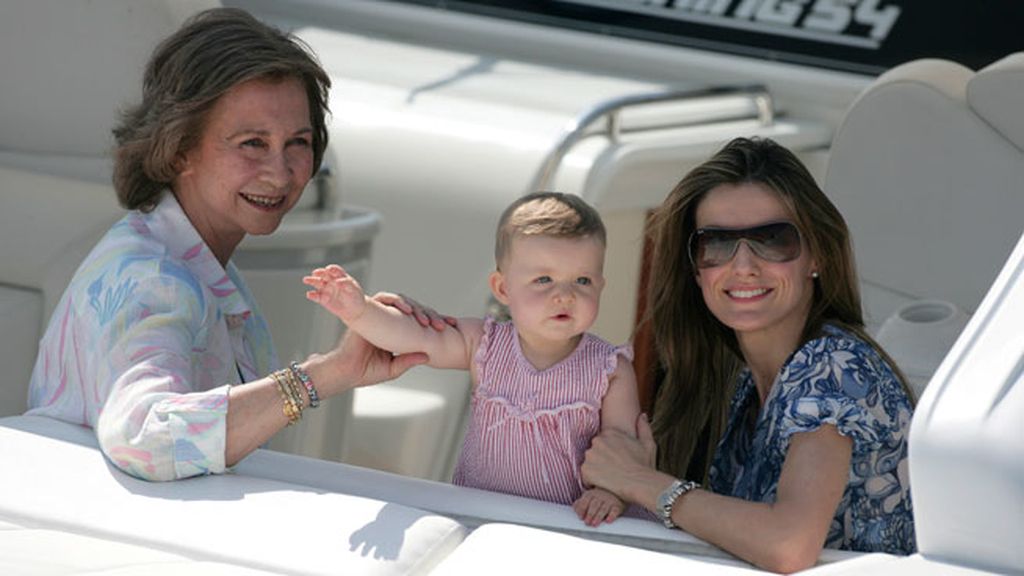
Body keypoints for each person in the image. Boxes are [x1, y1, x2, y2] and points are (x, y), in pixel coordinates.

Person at [26, 8, 434, 482]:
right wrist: (327, 374)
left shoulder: (182, 258)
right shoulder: (154, 282)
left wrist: (341, 369)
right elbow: (147, 437)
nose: (280, 173)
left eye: (298, 142)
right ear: (180, 149)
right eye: (252, 144)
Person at [580, 137, 916, 572]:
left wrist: (642, 482)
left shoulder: (833, 368)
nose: (742, 266)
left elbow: (788, 543)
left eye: (772, 240)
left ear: (817, 255)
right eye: (717, 244)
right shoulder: (748, 381)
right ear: (696, 271)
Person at [305, 192, 641, 526]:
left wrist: (610, 493)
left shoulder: (610, 370)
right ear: (503, 288)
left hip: (565, 525)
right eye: (544, 280)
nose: (565, 295)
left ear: (600, 286)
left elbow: (622, 447)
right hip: (479, 517)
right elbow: (413, 337)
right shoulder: (483, 343)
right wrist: (360, 310)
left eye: (582, 280)